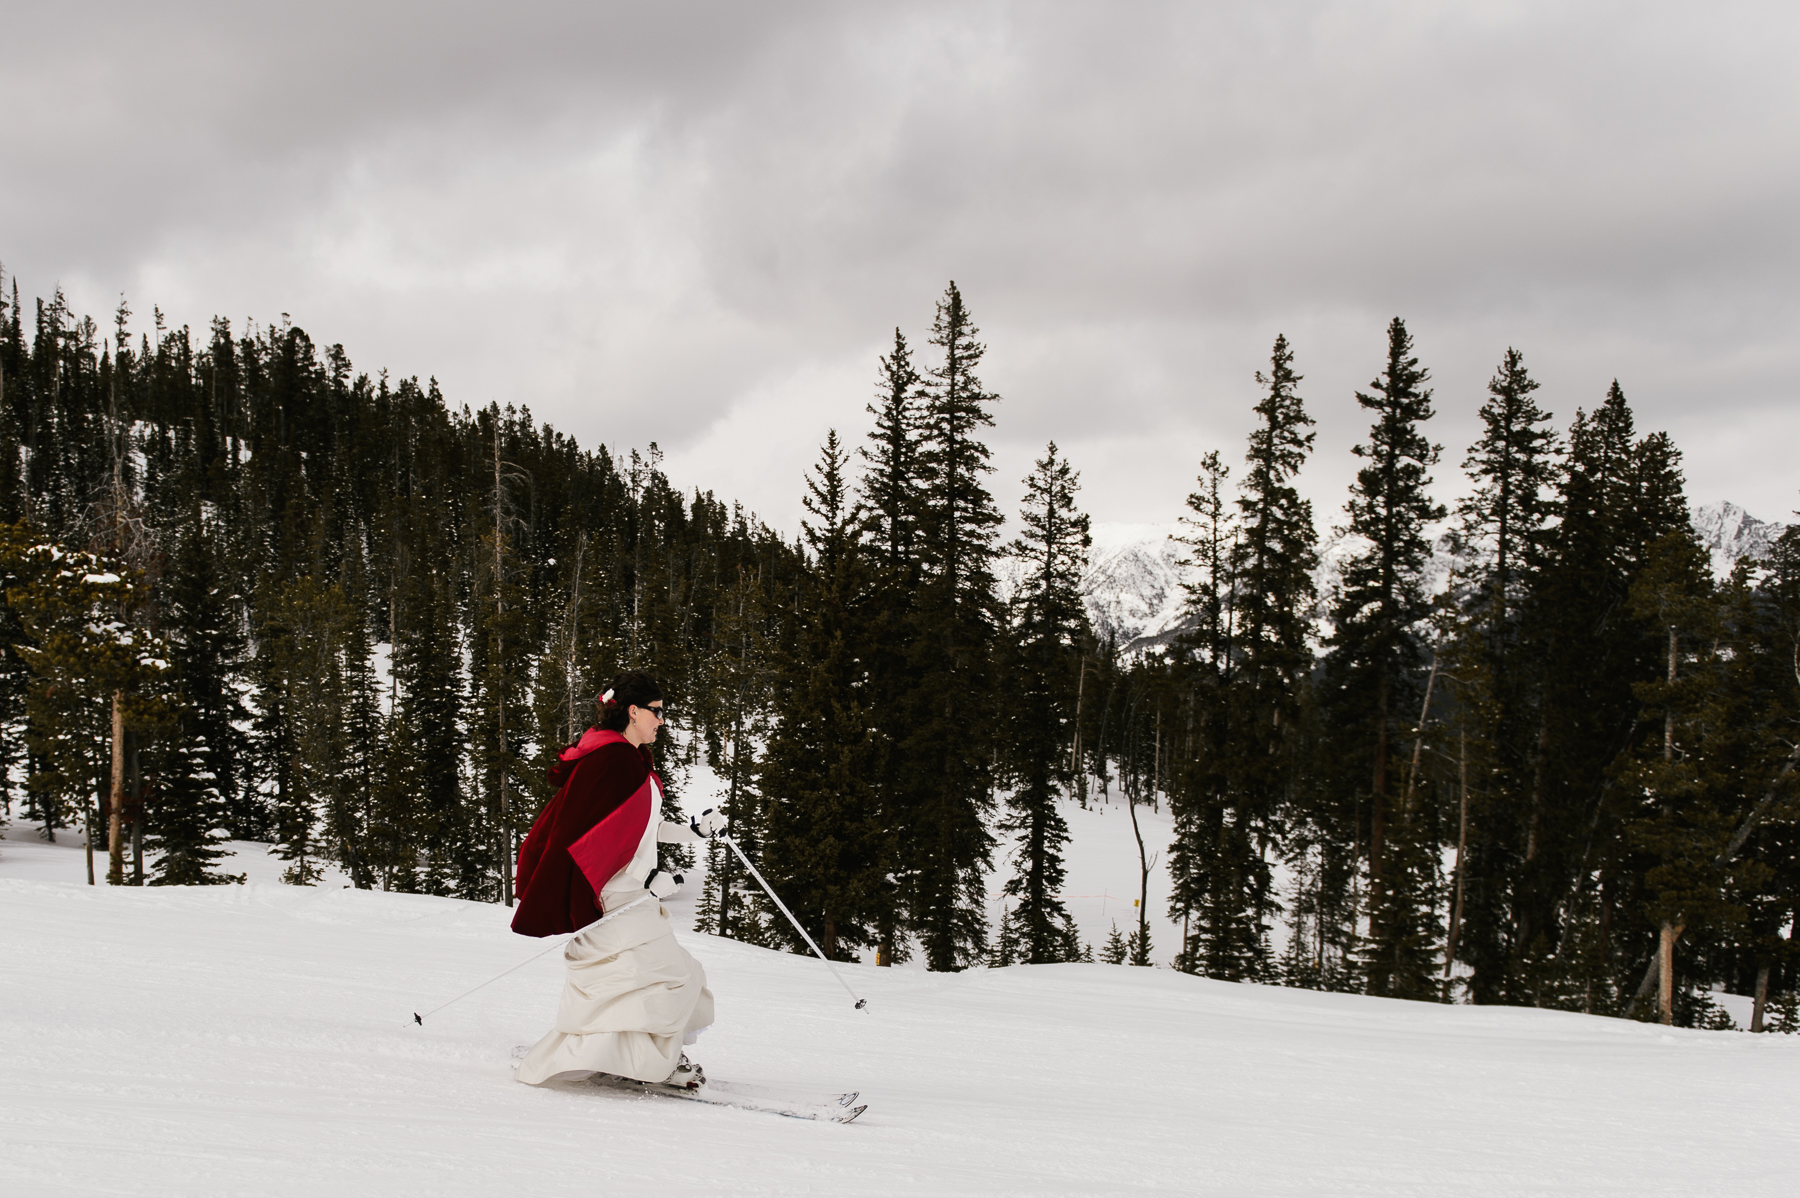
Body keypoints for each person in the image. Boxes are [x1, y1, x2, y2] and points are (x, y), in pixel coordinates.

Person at [510, 670, 726, 1089]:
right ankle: (653, 1061)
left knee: (656, 977)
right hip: (613, 897)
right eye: (657, 712)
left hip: (632, 893)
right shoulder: (611, 761)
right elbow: (583, 840)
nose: (662, 721)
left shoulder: (627, 758)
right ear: (632, 711)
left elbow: (641, 827)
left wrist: (693, 832)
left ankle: (632, 1056)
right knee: (666, 977)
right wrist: (644, 883)